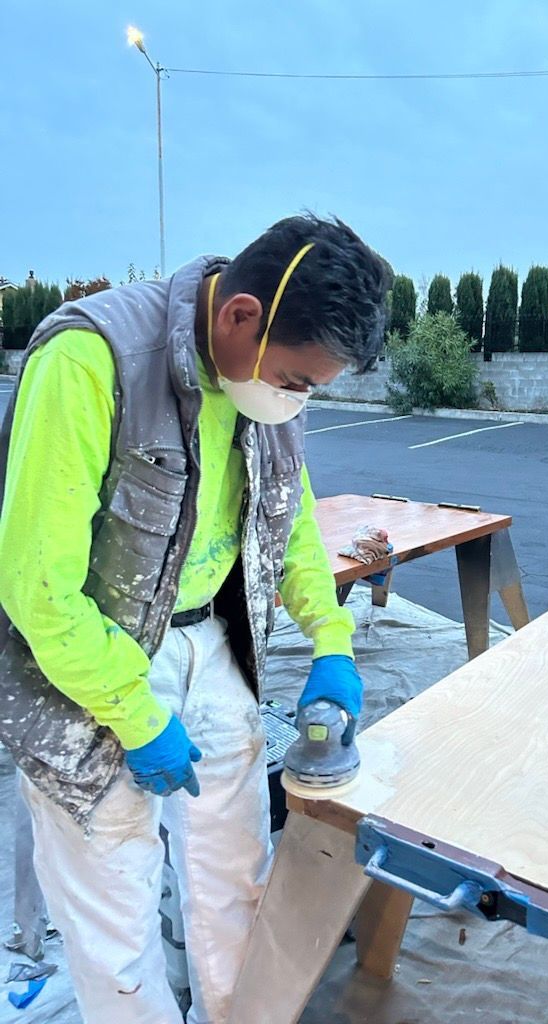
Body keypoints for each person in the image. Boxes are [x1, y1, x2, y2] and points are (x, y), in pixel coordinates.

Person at [0, 214, 392, 1024]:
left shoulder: (267, 382)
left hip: (211, 645)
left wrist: (332, 640)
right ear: (239, 314)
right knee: (114, 908)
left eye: (311, 387)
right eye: (294, 379)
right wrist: (134, 713)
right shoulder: (91, 358)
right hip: (88, 668)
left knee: (234, 878)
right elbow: (35, 586)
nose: (295, 399)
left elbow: (289, 521)